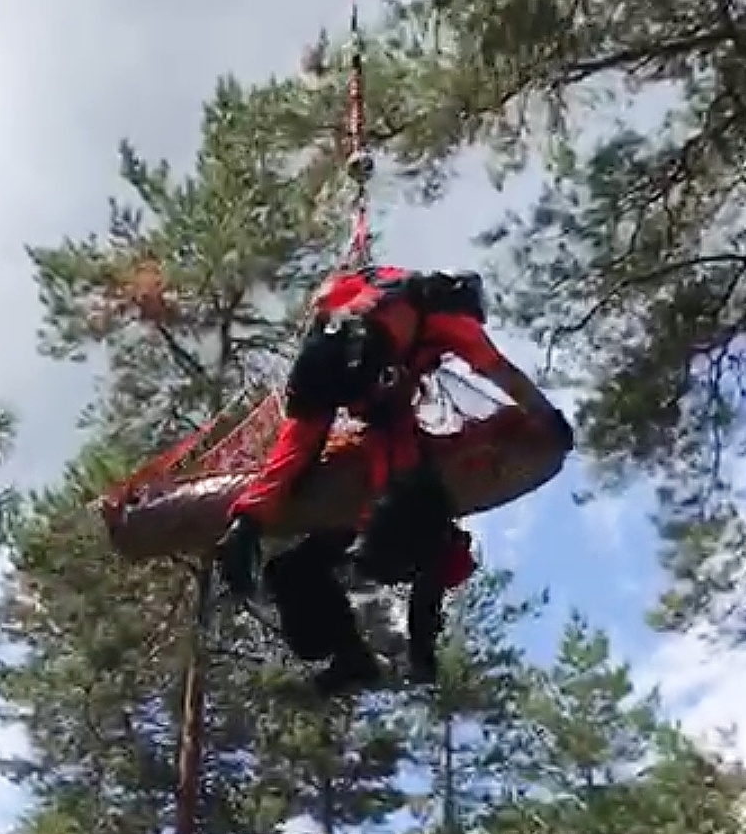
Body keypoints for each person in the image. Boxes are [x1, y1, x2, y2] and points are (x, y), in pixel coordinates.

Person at [216, 265, 572, 695]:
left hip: (407, 462)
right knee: (290, 573)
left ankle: (419, 648)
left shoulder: (433, 311)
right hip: (379, 454)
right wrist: (248, 521)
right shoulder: (322, 370)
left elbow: (497, 369)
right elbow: (296, 448)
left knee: (411, 530)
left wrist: (544, 415)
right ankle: (352, 658)